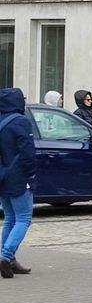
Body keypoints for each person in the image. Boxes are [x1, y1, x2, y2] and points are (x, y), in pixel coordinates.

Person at [0, 88, 36, 278]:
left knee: (10, 218)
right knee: (23, 218)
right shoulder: (20, 122)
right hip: (18, 177)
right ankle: (6, 256)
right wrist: (31, 175)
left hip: (1, 176)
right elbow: (27, 153)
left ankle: (8, 259)